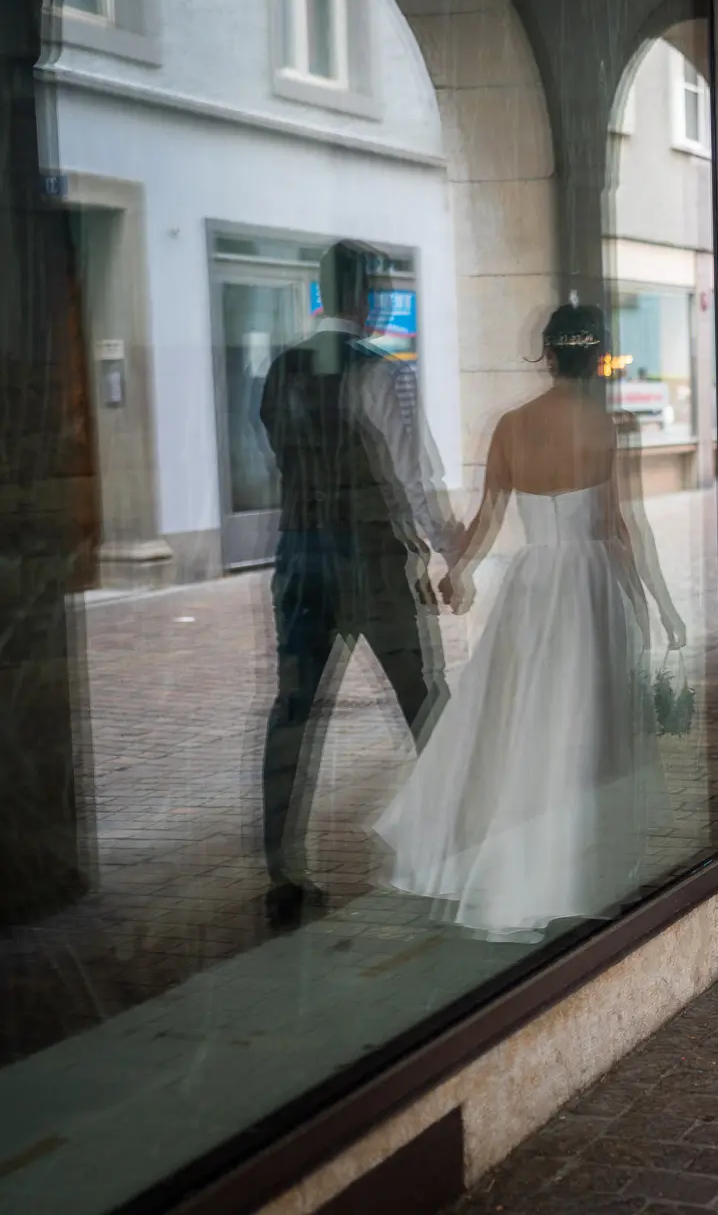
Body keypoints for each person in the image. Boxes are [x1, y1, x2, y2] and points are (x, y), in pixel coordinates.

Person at [373, 302, 686, 941]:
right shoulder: (611, 424)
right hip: (592, 585)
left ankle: (527, 863)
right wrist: (663, 602)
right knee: (584, 721)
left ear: (545, 354)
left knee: (524, 717)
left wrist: (459, 571)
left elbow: (487, 517)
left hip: (533, 584)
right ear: (599, 356)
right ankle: (576, 871)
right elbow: (631, 526)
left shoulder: (512, 426)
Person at [257, 240, 457, 929]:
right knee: (424, 701)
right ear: (364, 295)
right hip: (372, 560)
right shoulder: (385, 373)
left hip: (299, 556)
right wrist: (454, 551)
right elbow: (416, 478)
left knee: (294, 713)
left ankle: (282, 866)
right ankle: (455, 841)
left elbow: (282, 457)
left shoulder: (277, 372)